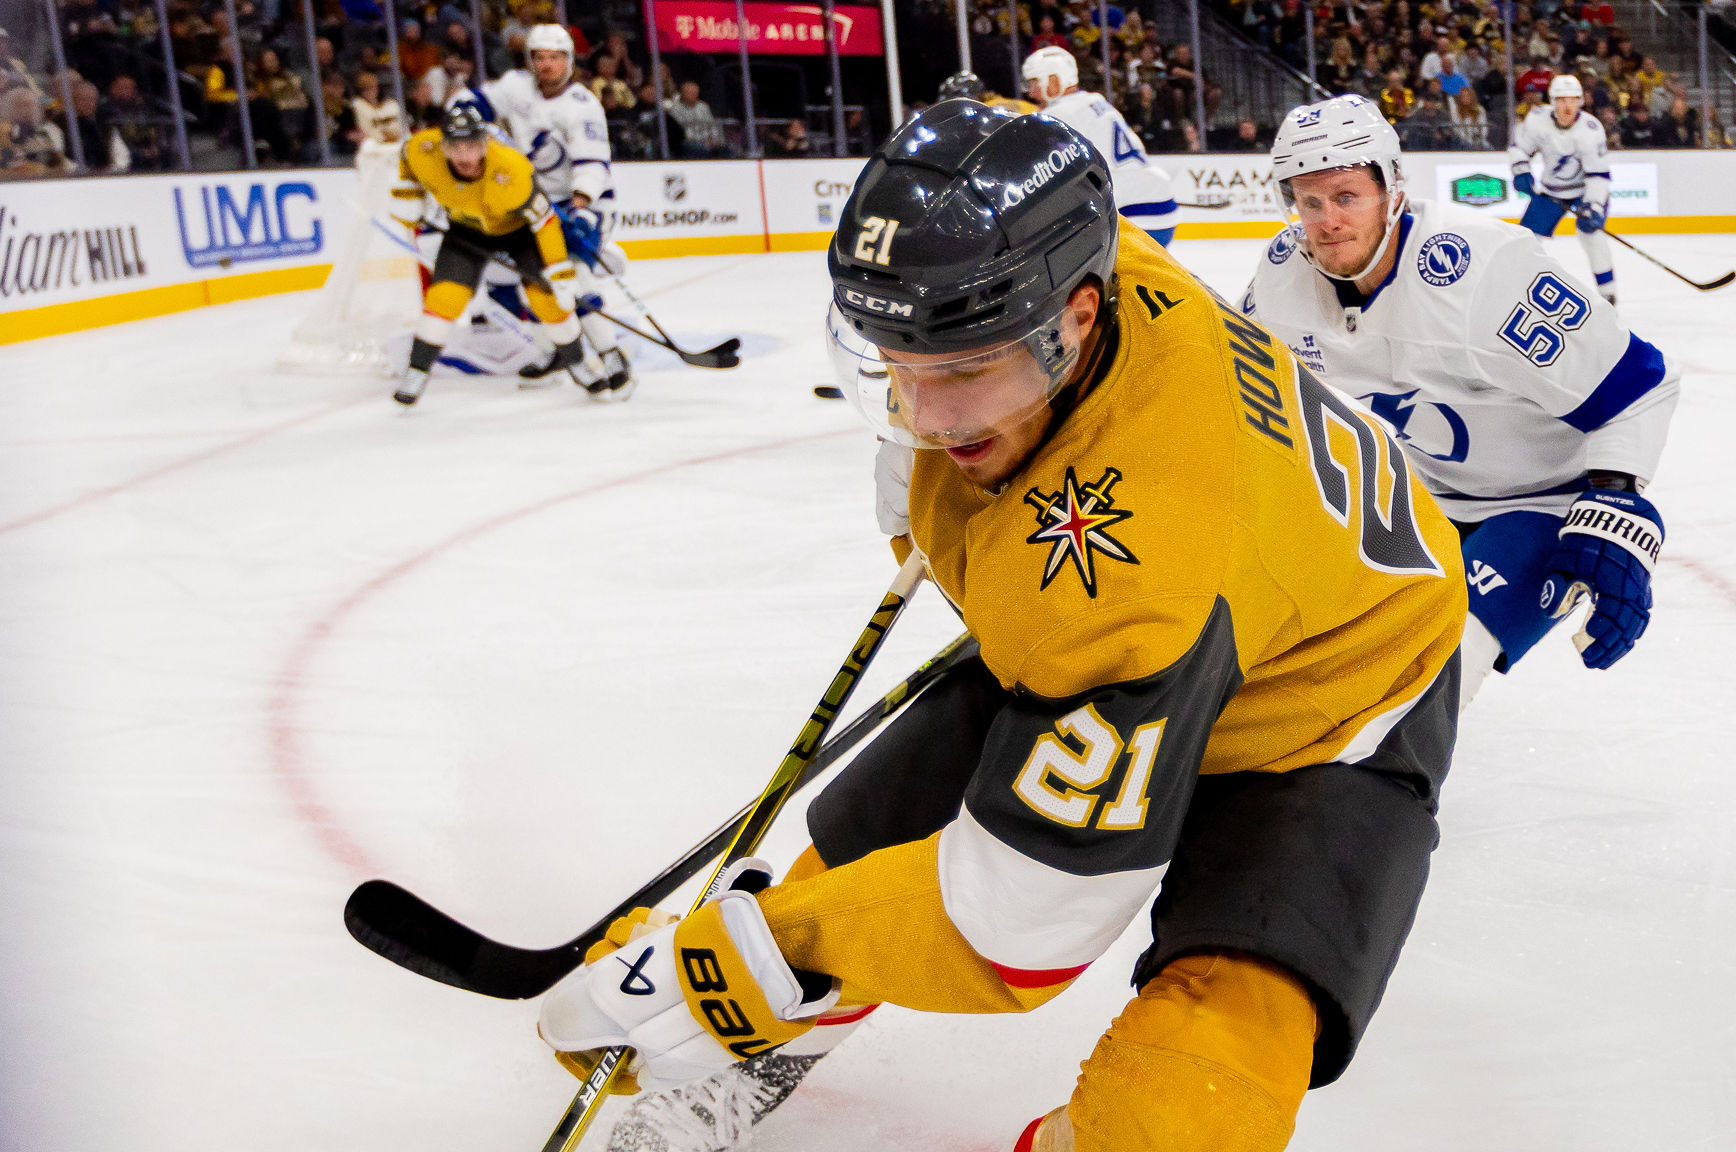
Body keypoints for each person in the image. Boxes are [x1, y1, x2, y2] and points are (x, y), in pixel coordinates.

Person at [539, 97, 1467, 1152]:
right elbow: (1005, 169)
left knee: (1186, 1103)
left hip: (1332, 701)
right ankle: (781, 1031)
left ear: (1074, 320)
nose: (929, 420)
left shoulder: (1133, 568)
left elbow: (1019, 926)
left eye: (967, 368)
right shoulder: (1065, 256)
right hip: (1193, 596)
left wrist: (745, 965)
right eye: (896, 363)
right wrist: (941, 404)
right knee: (861, 863)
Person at [1242, 94, 1677, 710]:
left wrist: (1617, 502)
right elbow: (1245, 393)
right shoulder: (1280, 277)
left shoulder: (1482, 271)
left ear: (1391, 190)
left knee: (1432, 678)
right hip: (1412, 499)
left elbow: (1636, 384)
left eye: (1346, 197)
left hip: (1541, 501)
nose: (1328, 221)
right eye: (1310, 202)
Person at [451, 24, 631, 392]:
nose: (547, 65)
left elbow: (593, 166)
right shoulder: (516, 86)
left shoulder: (582, 106)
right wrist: (462, 113)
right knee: (530, 279)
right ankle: (552, 353)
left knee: (574, 276)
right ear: (530, 60)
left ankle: (610, 354)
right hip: (535, 203)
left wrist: (580, 210)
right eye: (540, 57)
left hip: (583, 204)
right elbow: (473, 101)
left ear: (570, 61)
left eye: (555, 57)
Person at [386, 105, 601, 405]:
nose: (464, 157)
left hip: (520, 233)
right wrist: (408, 191)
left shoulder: (512, 169)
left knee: (546, 300)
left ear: (485, 144)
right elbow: (407, 157)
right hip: (465, 231)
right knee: (444, 298)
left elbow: (545, 221)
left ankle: (576, 362)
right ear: (443, 145)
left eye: (472, 146)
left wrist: (560, 273)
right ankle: (417, 371)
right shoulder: (424, 148)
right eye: (455, 147)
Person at [1021, 46, 1180, 245]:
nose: (1031, 92)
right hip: (1158, 201)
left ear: (1054, 81)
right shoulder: (1094, 100)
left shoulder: (1058, 115)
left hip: (1133, 211)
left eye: (1035, 82)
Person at [1507, 74, 1619, 304]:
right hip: (1552, 191)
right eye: (1561, 100)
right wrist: (1521, 170)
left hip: (1585, 191)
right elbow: (1519, 148)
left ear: (1581, 102)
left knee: (1591, 236)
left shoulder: (1591, 130)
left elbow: (1598, 175)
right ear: (1552, 101)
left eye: (1573, 100)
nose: (1567, 107)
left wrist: (1594, 206)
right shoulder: (1537, 119)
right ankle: (1514, 289)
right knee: (1527, 240)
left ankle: (1608, 293)